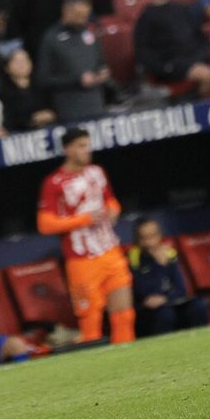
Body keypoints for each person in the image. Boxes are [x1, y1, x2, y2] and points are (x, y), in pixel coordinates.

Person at [37, 127, 135, 345]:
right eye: (81, 146)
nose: (86, 150)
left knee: (124, 315)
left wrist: (113, 210)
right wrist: (84, 219)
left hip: (110, 250)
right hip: (81, 258)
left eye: (87, 145)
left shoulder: (96, 172)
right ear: (67, 149)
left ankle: (131, 365)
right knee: (91, 324)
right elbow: (45, 224)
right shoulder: (54, 183)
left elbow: (110, 200)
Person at [132, 0, 210, 98]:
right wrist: (164, 67)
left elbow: (199, 37)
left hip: (193, 59)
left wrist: (201, 54)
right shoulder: (146, 17)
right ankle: (202, 109)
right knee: (207, 74)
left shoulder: (182, 9)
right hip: (170, 65)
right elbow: (142, 52)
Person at [128, 218, 209, 337]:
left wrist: (166, 299)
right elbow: (144, 293)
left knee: (198, 306)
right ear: (138, 240)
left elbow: (181, 289)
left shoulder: (169, 254)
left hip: (169, 302)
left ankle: (202, 341)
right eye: (144, 238)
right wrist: (159, 266)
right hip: (145, 310)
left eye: (153, 236)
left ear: (160, 235)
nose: (150, 242)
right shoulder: (133, 258)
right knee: (165, 314)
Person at [35, 0, 109, 122]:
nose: (83, 19)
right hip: (70, 110)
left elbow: (100, 63)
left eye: (86, 15)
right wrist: (76, 80)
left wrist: (103, 73)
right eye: (78, 15)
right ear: (66, 10)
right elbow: (43, 78)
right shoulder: (51, 38)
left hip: (96, 106)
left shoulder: (90, 34)